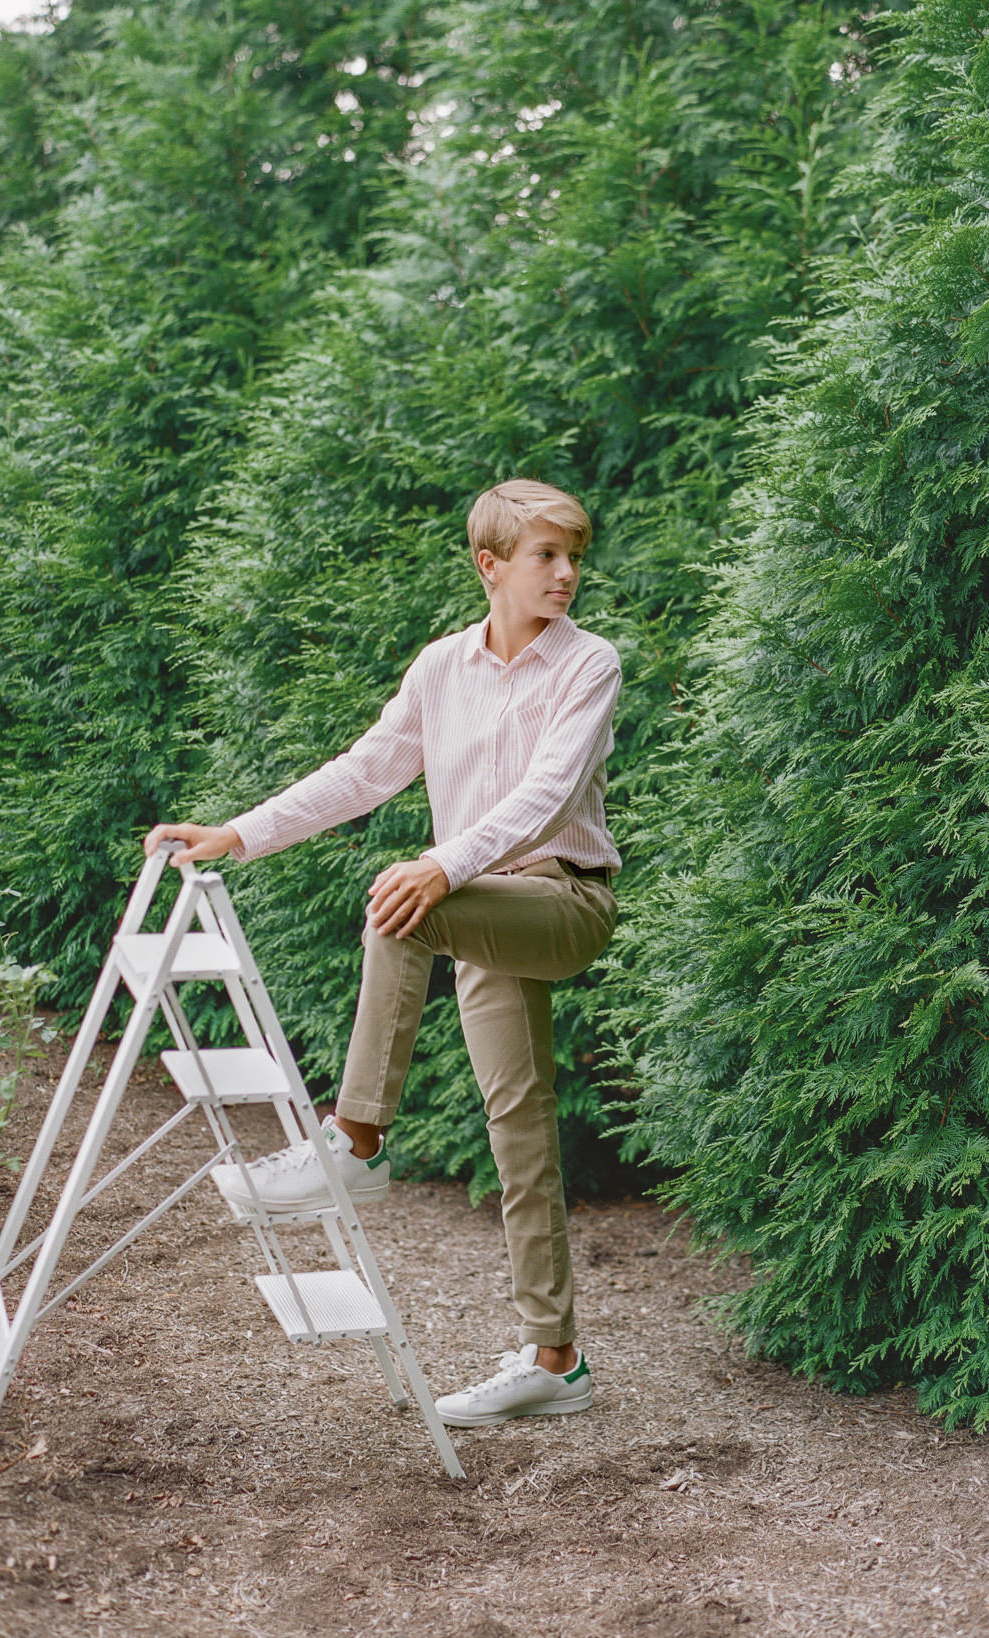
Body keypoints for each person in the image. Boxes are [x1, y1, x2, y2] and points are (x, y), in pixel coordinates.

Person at [144, 478, 621, 1428]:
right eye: (545, 556)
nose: (566, 573)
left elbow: (545, 794)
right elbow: (362, 772)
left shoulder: (589, 664)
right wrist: (236, 834)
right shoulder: (442, 667)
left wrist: (439, 867)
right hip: (479, 903)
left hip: (561, 900)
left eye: (573, 555)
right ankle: (555, 1360)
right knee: (517, 1133)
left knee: (399, 908)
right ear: (490, 567)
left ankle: (354, 1140)